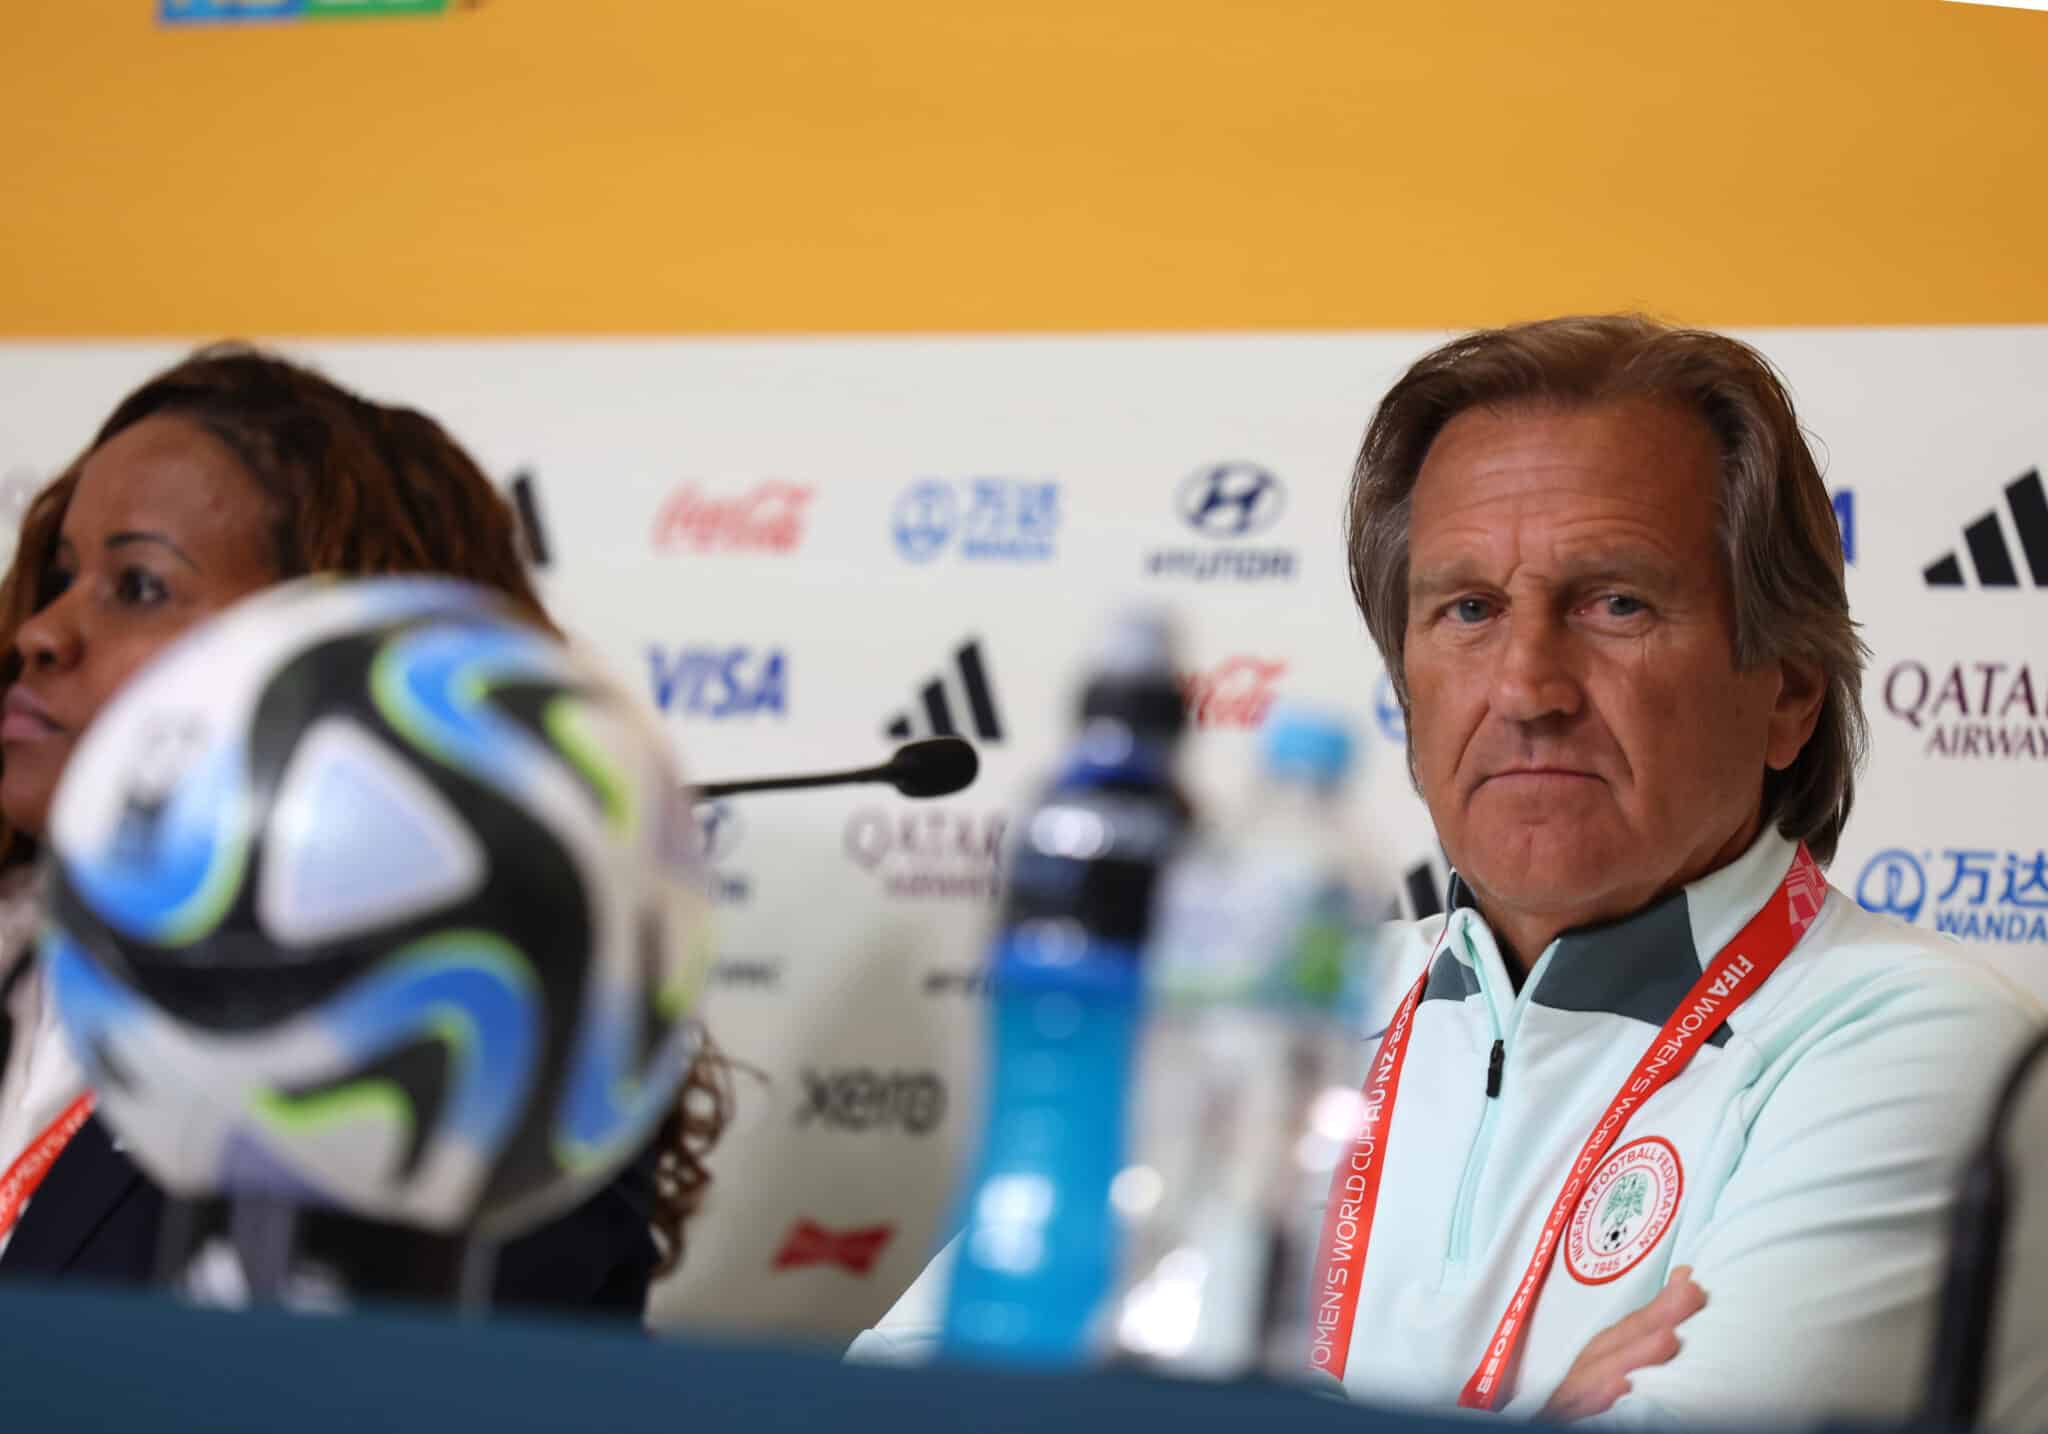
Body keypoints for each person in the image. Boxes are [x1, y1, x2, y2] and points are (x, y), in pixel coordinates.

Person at [850, 315, 2041, 1425]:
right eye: (1467, 610)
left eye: (1614, 603)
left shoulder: (1925, 1039)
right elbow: (909, 1397)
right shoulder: (1276, 1010)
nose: (1527, 687)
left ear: (1785, 691)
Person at [0, 345, 727, 1312]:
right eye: (59, 574)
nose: (40, 631)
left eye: (138, 587)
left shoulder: (470, 1053)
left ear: (343, 663)